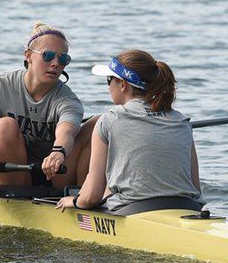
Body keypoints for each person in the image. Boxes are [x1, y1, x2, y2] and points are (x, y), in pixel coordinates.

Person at [56, 50, 201, 214]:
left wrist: (73, 201)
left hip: (134, 212)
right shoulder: (181, 121)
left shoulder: (109, 120)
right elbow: (196, 190)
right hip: (189, 208)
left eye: (109, 80)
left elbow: (91, 197)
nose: (108, 87)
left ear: (123, 84)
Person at [0, 21, 91, 188]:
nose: (56, 63)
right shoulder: (0, 85)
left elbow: (67, 131)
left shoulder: (68, 99)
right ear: (28, 56)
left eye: (63, 58)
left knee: (96, 124)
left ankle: (85, 195)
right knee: (4, 125)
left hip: (50, 176)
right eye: (48, 56)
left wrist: (58, 152)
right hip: (1, 178)